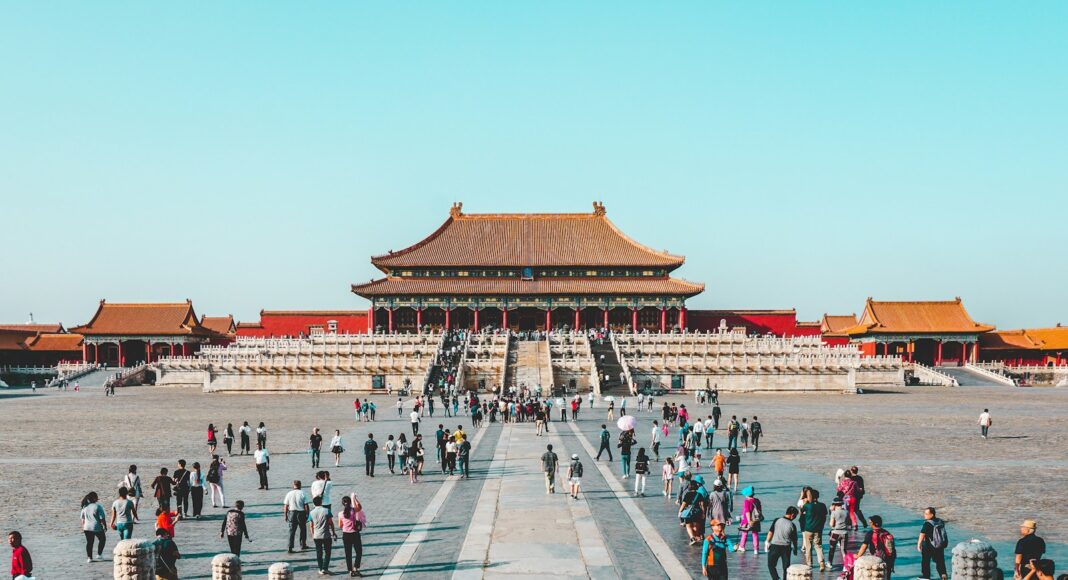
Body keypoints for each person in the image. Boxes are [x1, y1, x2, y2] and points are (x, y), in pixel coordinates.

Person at [765, 506, 799, 580]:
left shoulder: (777, 520)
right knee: (786, 568)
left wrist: (767, 542)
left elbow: (770, 532)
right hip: (786, 548)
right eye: (795, 515)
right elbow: (794, 539)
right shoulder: (792, 525)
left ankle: (776, 578)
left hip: (774, 546)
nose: (795, 517)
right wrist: (795, 548)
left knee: (771, 565)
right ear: (792, 514)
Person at [338, 495, 366, 577]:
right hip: (354, 534)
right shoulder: (353, 511)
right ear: (350, 503)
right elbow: (360, 507)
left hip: (346, 534)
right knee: (359, 551)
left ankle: (350, 570)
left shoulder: (340, 514)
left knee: (348, 553)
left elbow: (340, 525)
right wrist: (355, 499)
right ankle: (356, 567)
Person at [799, 489, 827, 571]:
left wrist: (804, 502)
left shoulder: (807, 506)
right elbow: (824, 516)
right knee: (818, 546)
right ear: (818, 496)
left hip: (808, 528)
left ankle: (809, 563)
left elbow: (801, 513)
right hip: (818, 529)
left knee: (808, 547)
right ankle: (821, 562)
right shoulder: (822, 505)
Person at [917, 506, 949, 580]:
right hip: (939, 545)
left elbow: (922, 534)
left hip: (929, 545)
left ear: (931, 515)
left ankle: (926, 576)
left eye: (926, 514)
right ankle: (943, 575)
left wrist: (919, 545)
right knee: (940, 561)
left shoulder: (927, 524)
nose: (924, 515)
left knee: (925, 561)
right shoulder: (940, 521)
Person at [309, 496, 337, 575]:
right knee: (327, 552)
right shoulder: (327, 511)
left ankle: (320, 568)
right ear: (321, 502)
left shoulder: (311, 512)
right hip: (326, 535)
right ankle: (325, 567)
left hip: (317, 536)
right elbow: (331, 523)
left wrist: (312, 534)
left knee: (319, 553)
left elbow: (311, 525)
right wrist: (334, 532)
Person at [81, 492, 108, 562]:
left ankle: (89, 558)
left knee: (89, 542)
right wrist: (105, 526)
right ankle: (99, 554)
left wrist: (83, 527)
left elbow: (83, 519)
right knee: (102, 539)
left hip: (87, 527)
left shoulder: (85, 507)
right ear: (95, 498)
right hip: (96, 527)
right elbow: (102, 518)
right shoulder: (98, 506)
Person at [284, 480, 310, 552]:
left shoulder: (289, 493)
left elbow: (286, 506)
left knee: (291, 530)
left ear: (293, 485)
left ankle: (290, 547)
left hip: (292, 513)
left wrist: (285, 515)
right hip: (301, 513)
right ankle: (303, 544)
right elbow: (306, 505)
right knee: (303, 529)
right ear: (300, 485)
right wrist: (308, 514)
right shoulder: (303, 493)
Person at [736, 486, 762, 554]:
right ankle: (756, 549)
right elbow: (759, 510)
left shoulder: (747, 501)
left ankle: (742, 546)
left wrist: (749, 520)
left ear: (747, 495)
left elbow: (747, 511)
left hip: (747, 520)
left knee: (744, 533)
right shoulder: (757, 500)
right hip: (756, 520)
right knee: (755, 534)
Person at [827, 498, 850, 568]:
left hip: (835, 533)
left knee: (832, 548)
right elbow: (848, 522)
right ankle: (846, 564)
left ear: (834, 504)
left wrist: (830, 513)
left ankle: (830, 563)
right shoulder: (846, 512)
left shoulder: (834, 513)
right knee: (843, 550)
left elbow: (831, 524)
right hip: (844, 532)